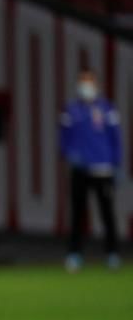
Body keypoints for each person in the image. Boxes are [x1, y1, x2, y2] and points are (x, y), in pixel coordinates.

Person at [60, 69, 122, 271]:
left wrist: (115, 163)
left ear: (96, 84)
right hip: (80, 169)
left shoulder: (107, 109)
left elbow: (116, 139)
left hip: (103, 168)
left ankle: (112, 253)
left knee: (107, 213)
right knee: (78, 213)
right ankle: (75, 254)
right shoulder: (71, 110)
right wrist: (69, 154)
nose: (86, 86)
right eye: (83, 82)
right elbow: (63, 138)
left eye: (89, 82)